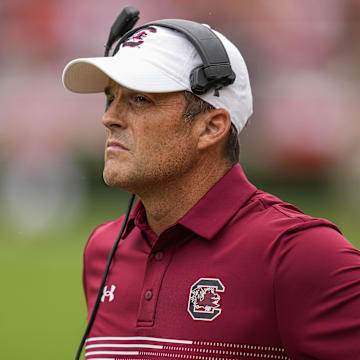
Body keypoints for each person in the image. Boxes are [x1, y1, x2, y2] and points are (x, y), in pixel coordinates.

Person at [62, 19, 360, 360]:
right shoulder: (103, 248)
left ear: (212, 127)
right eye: (111, 98)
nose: (109, 118)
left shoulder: (302, 254)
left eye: (141, 99)